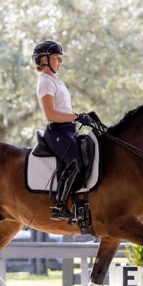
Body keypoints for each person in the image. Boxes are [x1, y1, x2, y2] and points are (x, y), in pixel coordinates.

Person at [32, 40, 93, 221]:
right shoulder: (45, 82)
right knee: (75, 162)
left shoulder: (56, 81)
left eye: (60, 58)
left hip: (68, 130)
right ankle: (59, 206)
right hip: (57, 131)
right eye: (57, 58)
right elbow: (51, 114)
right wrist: (76, 116)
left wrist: (83, 117)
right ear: (44, 60)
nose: (60, 61)